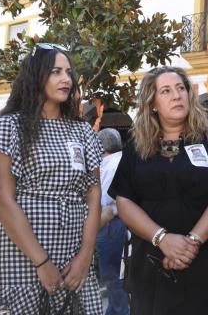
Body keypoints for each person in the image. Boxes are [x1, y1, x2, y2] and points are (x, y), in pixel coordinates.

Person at [108, 66, 208, 315]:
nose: (177, 96)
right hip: (151, 265)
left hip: (205, 265)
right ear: (153, 103)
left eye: (181, 88)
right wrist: (162, 238)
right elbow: (124, 200)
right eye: (166, 91)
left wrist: (191, 243)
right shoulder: (136, 145)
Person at [0, 43, 103, 314]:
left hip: (73, 256)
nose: (66, 79)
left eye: (68, 72)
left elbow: (94, 196)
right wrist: (42, 262)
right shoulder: (8, 126)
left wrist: (85, 256)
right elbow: (1, 200)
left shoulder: (82, 130)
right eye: (55, 72)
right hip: (22, 257)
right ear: (36, 76)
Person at [95, 128, 130, 315]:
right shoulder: (125, 159)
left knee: (113, 276)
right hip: (125, 224)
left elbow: (103, 202)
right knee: (120, 275)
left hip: (112, 223)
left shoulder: (108, 164)